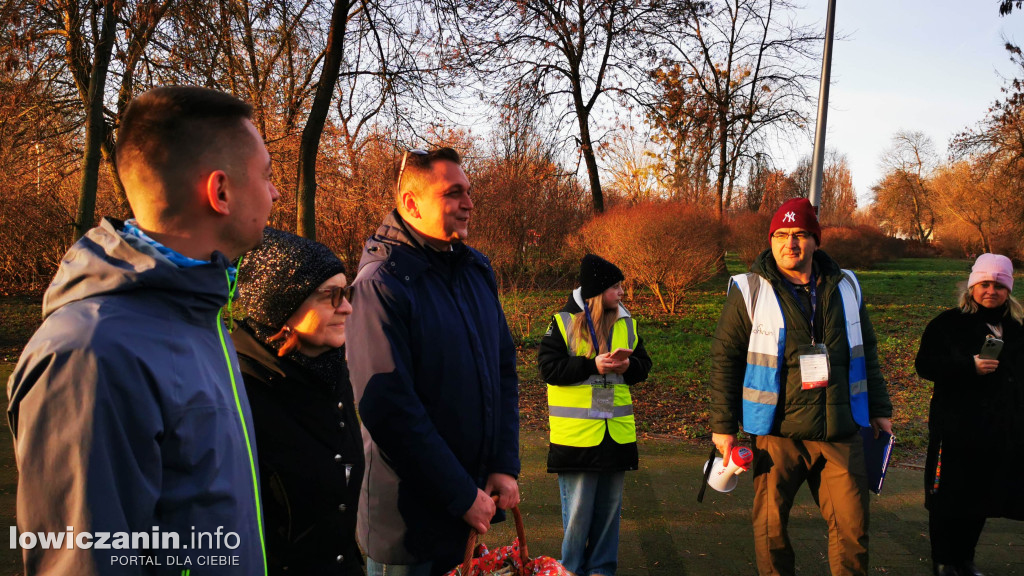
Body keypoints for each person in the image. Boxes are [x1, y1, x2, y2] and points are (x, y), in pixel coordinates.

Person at [6, 86, 279, 574]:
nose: (276, 192)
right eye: (267, 175)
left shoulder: (200, 315)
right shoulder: (89, 355)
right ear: (220, 191)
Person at [347, 147, 520, 576]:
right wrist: (460, 493)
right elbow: (389, 411)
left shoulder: (476, 270)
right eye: (453, 193)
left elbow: (502, 369)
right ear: (411, 203)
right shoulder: (380, 285)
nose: (469, 203)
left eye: (469, 191)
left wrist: (503, 462)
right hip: (409, 529)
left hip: (466, 513)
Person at [709, 197, 893, 576]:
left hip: (841, 430)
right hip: (777, 432)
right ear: (770, 239)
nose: (789, 243)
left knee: (853, 534)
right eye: (780, 234)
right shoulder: (749, 289)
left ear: (815, 240)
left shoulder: (848, 285)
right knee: (771, 530)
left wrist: (880, 409)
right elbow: (725, 358)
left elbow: (866, 351)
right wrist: (723, 427)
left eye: (799, 234)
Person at [231, 227, 365, 575]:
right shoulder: (238, 390)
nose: (348, 308)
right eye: (331, 296)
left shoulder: (330, 371)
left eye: (346, 292)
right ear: (282, 305)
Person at [538, 254, 652, 576]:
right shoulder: (562, 321)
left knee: (609, 512)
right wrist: (591, 365)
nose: (621, 293)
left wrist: (630, 366)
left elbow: (644, 366)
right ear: (598, 291)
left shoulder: (627, 321)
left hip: (616, 431)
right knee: (577, 514)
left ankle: (602, 570)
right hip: (576, 438)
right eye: (615, 287)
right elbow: (548, 368)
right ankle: (571, 569)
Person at [915, 253, 1024, 576]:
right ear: (972, 286)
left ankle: (965, 559)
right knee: (947, 498)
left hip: (999, 430)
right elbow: (925, 365)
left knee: (982, 498)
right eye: (984, 284)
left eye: (999, 285)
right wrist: (968, 366)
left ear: (1009, 290)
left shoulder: (1017, 328)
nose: (991, 291)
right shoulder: (947, 323)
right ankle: (944, 560)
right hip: (956, 429)